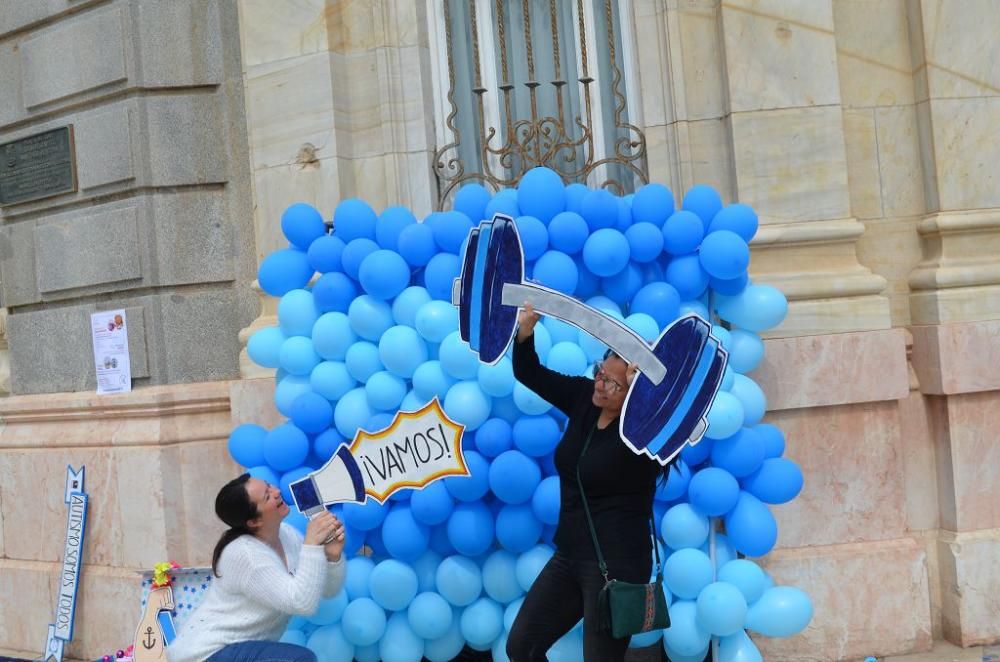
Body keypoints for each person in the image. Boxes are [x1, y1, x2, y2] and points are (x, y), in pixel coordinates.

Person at [507, 303, 666, 662]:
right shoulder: (584, 398)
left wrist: (648, 398)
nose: (600, 383)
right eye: (599, 372)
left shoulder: (644, 436)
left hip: (618, 569)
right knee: (522, 646)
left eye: (611, 382)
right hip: (571, 556)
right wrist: (527, 329)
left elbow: (663, 441)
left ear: (634, 394)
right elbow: (529, 372)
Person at [167, 474, 346, 662]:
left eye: (269, 487)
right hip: (207, 653)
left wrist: (331, 557)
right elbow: (301, 603)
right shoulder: (245, 554)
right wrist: (311, 545)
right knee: (298, 659)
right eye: (267, 496)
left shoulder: (287, 535)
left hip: (239, 650)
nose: (277, 492)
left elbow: (326, 591)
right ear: (254, 522)